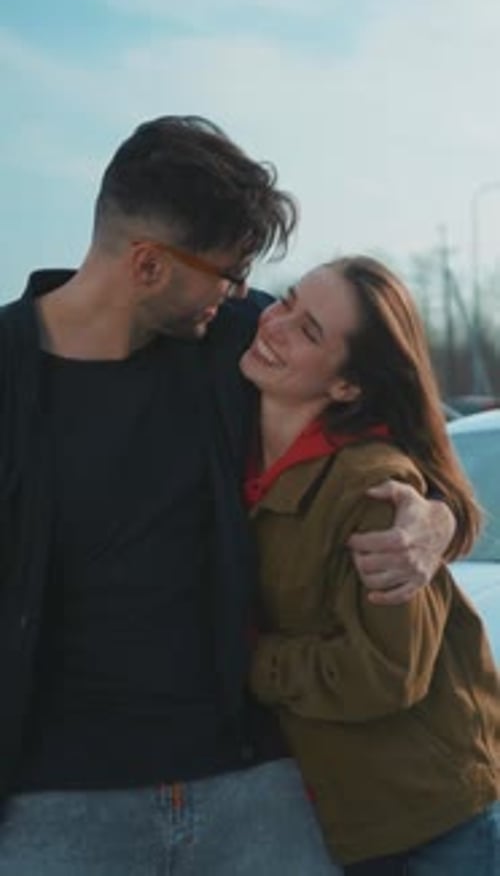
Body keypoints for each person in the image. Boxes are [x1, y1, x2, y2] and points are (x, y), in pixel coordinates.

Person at [0, 116, 454, 875]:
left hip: (254, 786)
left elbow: (400, 430)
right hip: (59, 803)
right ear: (149, 265)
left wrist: (434, 517)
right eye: (230, 270)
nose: (248, 293)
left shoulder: (236, 342)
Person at [241, 255, 500, 875]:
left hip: (432, 820)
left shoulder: (375, 490)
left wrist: (246, 660)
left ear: (347, 386)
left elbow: (381, 674)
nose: (275, 325)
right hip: (331, 818)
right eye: (289, 300)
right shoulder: (235, 447)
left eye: (309, 332)